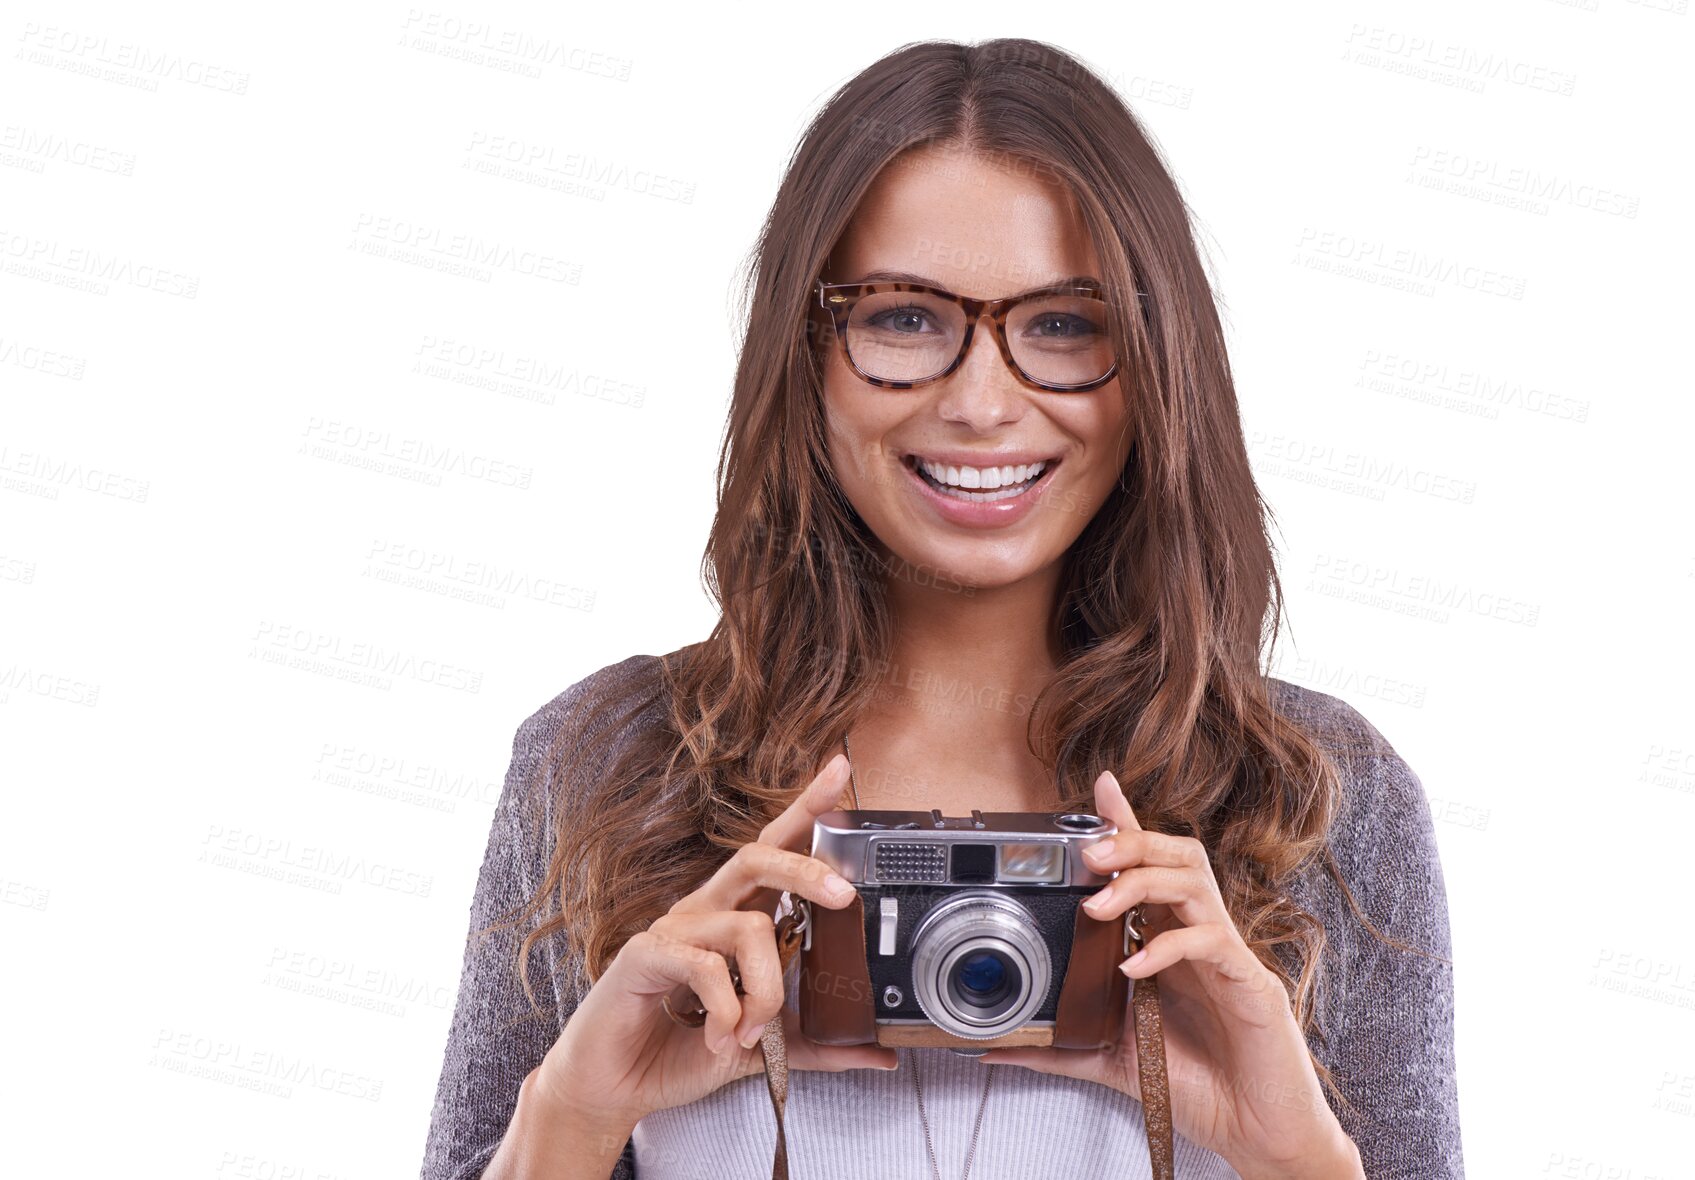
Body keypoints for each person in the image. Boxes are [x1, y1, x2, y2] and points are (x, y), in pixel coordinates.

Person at [419, 37, 1462, 1180]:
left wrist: (1295, 1160)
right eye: (904, 317)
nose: (979, 402)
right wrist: (570, 1117)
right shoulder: (607, 766)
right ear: (805, 350)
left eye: (1065, 323)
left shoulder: (1319, 799)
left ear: (1156, 358)